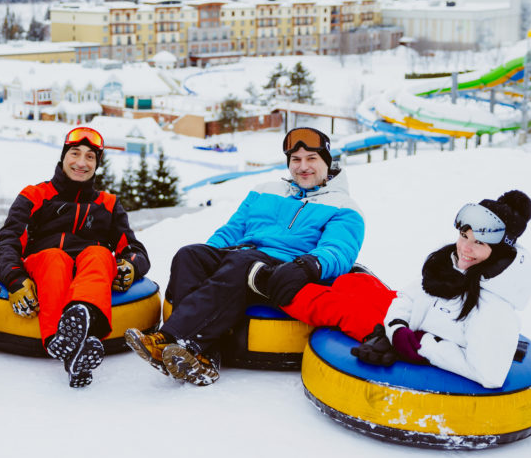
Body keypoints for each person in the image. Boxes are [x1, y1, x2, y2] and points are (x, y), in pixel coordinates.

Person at [125, 127, 364, 386]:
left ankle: (173, 338)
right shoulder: (265, 189)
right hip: (241, 257)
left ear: (326, 163)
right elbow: (233, 229)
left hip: (281, 272)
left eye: (311, 159)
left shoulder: (343, 205)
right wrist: (209, 256)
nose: (302, 167)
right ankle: (202, 357)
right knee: (189, 256)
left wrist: (308, 265)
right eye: (296, 160)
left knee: (241, 264)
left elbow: (339, 250)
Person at [281, 190, 531, 389]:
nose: (465, 248)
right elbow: (407, 297)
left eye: (478, 242)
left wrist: (423, 345)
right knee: (357, 284)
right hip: (405, 326)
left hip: (414, 341)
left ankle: (274, 284)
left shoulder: (493, 310)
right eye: (464, 236)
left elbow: (490, 374)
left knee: (334, 306)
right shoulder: (449, 268)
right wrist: (398, 327)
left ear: (498, 252)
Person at [0, 127, 150, 388]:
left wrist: (131, 266)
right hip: (45, 266)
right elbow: (6, 244)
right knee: (56, 258)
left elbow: (134, 249)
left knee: (99, 253)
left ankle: (79, 329)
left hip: (90, 273)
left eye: (90, 157)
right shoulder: (35, 195)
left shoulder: (108, 204)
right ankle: (61, 338)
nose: (81, 163)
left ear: (97, 165)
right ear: (63, 157)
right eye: (75, 154)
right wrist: (16, 279)